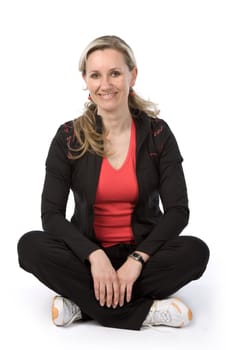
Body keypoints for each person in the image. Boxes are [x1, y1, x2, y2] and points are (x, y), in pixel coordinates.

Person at [17, 35, 209, 331]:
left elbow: (177, 211)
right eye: (95, 75)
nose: (105, 85)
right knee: (29, 246)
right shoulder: (69, 136)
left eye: (115, 73)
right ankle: (145, 313)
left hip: (142, 251)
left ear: (133, 75)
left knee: (195, 252)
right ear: (85, 80)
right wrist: (94, 257)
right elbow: (51, 215)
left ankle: (81, 304)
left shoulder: (158, 134)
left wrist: (137, 259)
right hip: (87, 252)